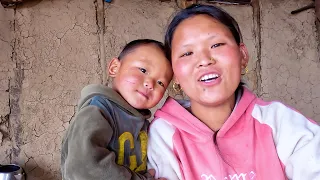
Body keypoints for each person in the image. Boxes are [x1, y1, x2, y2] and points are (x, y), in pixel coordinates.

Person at [147, 4, 320, 180]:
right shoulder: (165, 135)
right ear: (174, 73)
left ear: (242, 55)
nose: (205, 60)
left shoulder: (281, 122)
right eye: (187, 53)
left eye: (216, 44)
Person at [61, 39, 173, 180]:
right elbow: (84, 168)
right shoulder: (98, 110)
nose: (150, 84)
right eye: (143, 70)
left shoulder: (144, 124)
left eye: (160, 82)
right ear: (114, 67)